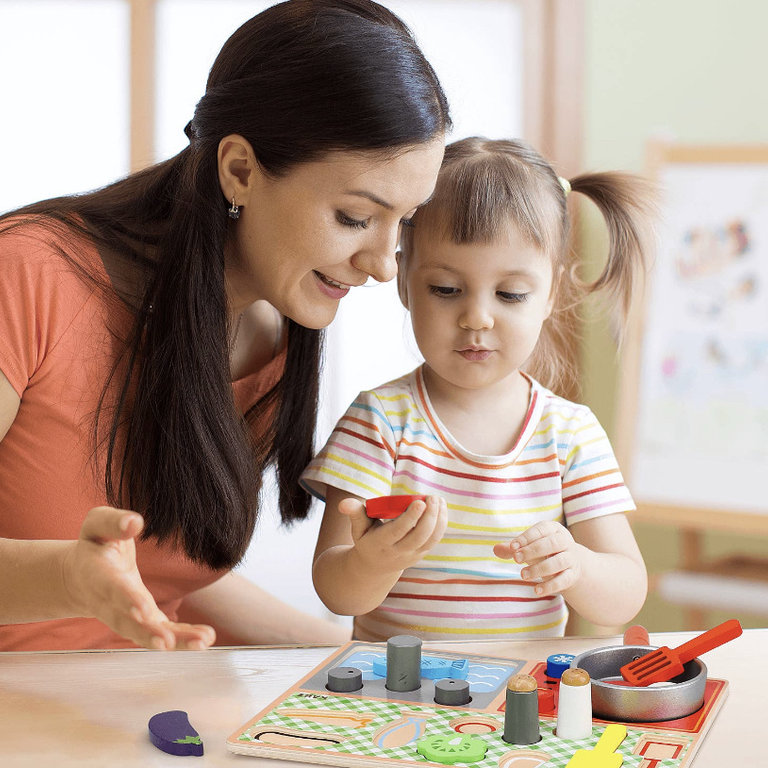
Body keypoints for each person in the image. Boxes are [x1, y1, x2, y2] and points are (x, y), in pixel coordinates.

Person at [0, 0, 450, 651]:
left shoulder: (270, 331)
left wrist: (351, 661)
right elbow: (100, 584)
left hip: (150, 718)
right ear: (240, 170)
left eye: (404, 222)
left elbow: (163, 574)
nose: (383, 265)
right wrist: (69, 579)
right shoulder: (28, 276)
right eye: (356, 217)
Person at [303, 137, 653, 641]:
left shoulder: (570, 434)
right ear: (404, 282)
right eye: (446, 289)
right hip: (399, 696)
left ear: (551, 293)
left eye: (510, 294)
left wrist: (575, 565)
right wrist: (372, 563)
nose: (477, 317)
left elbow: (625, 592)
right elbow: (335, 591)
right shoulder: (380, 420)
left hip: (523, 696)